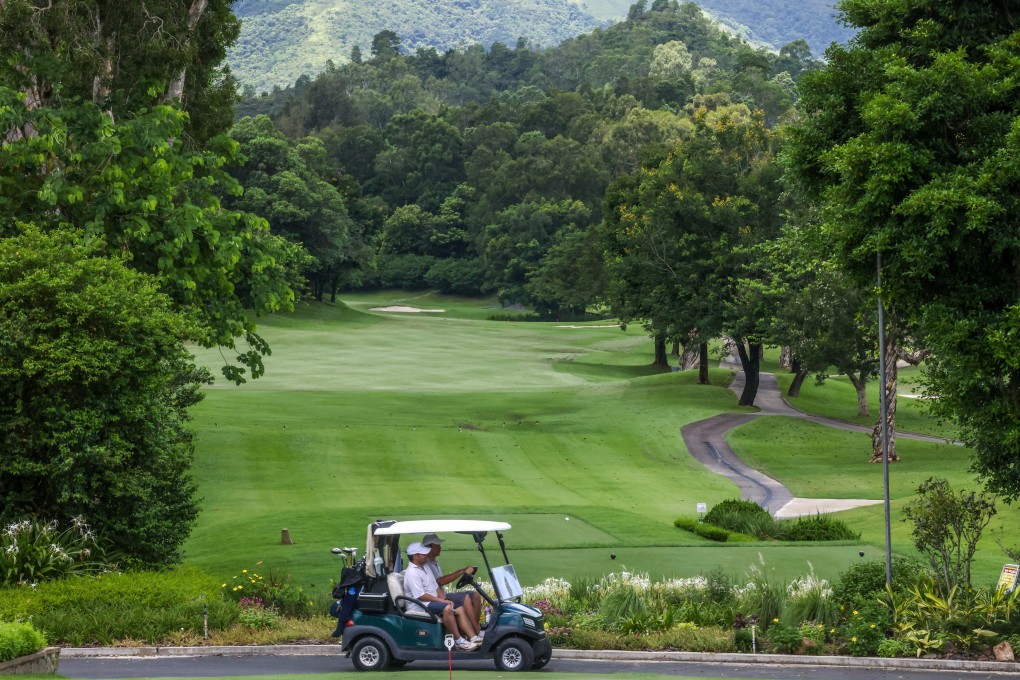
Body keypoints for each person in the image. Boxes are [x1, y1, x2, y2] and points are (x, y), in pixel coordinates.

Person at [402, 542, 479, 651]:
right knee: (447, 609)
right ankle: (458, 641)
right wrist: (442, 602)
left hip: (430, 602)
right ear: (415, 556)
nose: (426, 555)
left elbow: (436, 586)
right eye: (423, 554)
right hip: (420, 605)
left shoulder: (425, 567)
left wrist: (444, 599)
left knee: (458, 607)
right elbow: (421, 596)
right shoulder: (412, 573)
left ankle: (474, 638)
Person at [421, 533, 484, 642]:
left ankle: (474, 629)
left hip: (441, 594)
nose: (440, 547)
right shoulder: (427, 563)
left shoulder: (433, 562)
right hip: (436, 597)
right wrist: (461, 571)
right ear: (429, 548)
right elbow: (440, 581)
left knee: (475, 595)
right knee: (465, 598)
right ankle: (476, 632)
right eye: (437, 546)